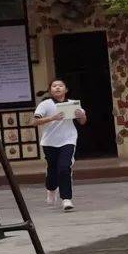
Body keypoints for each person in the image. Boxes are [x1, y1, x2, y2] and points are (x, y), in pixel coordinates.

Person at [31, 80, 87, 212]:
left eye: (60, 86)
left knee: (64, 167)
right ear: (50, 90)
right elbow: (34, 121)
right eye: (54, 86)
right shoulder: (45, 104)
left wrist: (81, 116)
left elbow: (83, 121)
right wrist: (52, 118)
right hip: (49, 142)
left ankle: (66, 199)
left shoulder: (72, 104)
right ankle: (51, 189)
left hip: (68, 139)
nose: (57, 88)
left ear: (66, 89)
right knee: (52, 169)